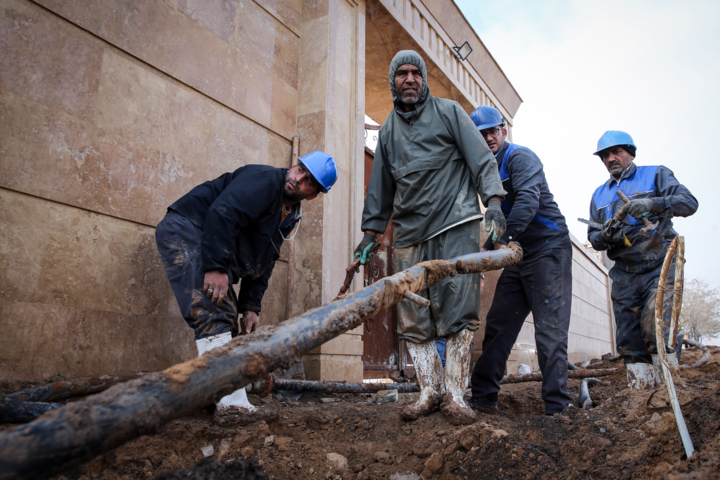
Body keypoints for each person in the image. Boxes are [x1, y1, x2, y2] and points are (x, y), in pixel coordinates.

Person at [358, 50, 507, 425]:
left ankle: (456, 395)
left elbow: (480, 158)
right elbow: (380, 187)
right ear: (393, 81)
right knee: (411, 314)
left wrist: (492, 201)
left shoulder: (450, 112)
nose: (409, 79)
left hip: (455, 223)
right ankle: (430, 392)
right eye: (402, 74)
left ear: (424, 79)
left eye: (416, 73)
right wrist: (370, 233)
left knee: (458, 311)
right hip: (409, 234)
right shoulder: (389, 129)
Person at [156, 152, 337, 412]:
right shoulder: (263, 180)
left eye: (308, 181)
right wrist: (216, 267)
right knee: (212, 309)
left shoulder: (289, 216)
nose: (298, 178)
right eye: (300, 169)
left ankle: (215, 394)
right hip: (186, 228)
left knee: (226, 319)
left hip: (206, 241)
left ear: (313, 195)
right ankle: (232, 404)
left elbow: (264, 261)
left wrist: (251, 306)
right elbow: (223, 213)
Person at [468, 105, 574, 416]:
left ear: (503, 131)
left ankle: (558, 407)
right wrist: (488, 249)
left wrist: (500, 242)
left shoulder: (520, 157)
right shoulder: (486, 171)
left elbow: (528, 200)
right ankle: (484, 397)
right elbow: (500, 219)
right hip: (519, 252)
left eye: (492, 131)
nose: (488, 138)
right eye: (481, 134)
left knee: (549, 330)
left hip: (548, 249)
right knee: (500, 324)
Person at [586, 131, 697, 379]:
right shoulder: (599, 195)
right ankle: (641, 399)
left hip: (659, 262)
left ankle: (669, 387)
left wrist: (652, 204)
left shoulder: (655, 174)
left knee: (656, 327)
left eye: (616, 152)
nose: (610, 158)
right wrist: (606, 236)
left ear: (630, 153)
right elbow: (594, 239)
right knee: (628, 339)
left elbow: (689, 202)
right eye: (605, 155)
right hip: (625, 272)